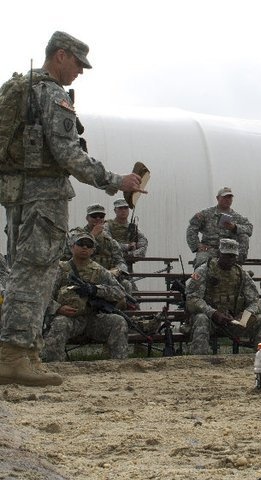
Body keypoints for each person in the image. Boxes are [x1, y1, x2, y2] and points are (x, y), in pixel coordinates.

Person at [0, 31, 144, 387]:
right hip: (43, 198)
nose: (79, 72)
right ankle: (13, 354)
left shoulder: (23, 89)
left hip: (19, 193)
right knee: (33, 272)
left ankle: (28, 353)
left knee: (30, 270)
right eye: (78, 64)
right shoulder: (51, 94)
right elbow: (69, 155)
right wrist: (115, 181)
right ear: (60, 55)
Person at [43, 233, 128, 362]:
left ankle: (119, 365)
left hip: (92, 318)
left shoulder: (99, 271)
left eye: (89, 245)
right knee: (60, 324)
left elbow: (120, 292)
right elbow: (44, 296)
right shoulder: (60, 269)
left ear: (93, 250)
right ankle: (56, 367)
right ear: (72, 247)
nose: (84, 247)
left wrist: (96, 290)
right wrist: (58, 308)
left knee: (118, 321)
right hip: (69, 319)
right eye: (80, 244)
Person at [184, 239, 261, 355]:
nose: (230, 259)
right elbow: (192, 299)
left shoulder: (241, 274)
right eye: (227, 256)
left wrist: (244, 316)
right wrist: (213, 313)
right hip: (211, 321)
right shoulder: (204, 271)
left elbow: (255, 302)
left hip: (234, 321)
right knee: (201, 319)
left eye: (233, 256)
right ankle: (200, 360)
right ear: (219, 254)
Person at [186, 186, 253, 268]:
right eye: (224, 197)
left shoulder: (236, 217)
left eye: (230, 198)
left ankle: (239, 265)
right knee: (201, 264)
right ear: (218, 198)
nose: (227, 200)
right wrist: (197, 245)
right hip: (209, 249)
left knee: (244, 235)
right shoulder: (206, 213)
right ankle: (201, 280)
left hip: (229, 250)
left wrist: (234, 227)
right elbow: (192, 228)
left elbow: (249, 228)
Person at [105, 197, 148, 266]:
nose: (123, 210)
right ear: (115, 210)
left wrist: (132, 252)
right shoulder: (108, 225)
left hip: (128, 263)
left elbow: (144, 243)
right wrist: (127, 247)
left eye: (125, 208)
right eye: (120, 208)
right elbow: (107, 243)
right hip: (111, 263)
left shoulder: (132, 227)